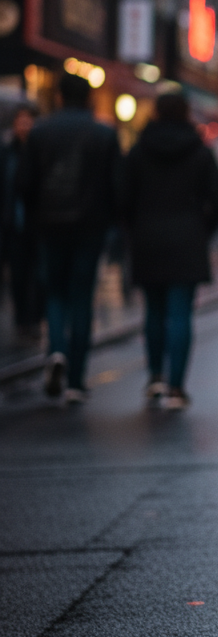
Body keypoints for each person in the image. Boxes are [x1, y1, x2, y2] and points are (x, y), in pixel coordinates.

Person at [19, 73, 122, 403]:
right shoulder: (104, 135)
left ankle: (56, 351)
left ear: (60, 96)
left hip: (49, 226)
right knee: (81, 296)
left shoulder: (40, 133)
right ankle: (76, 380)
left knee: (55, 293)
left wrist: (36, 215)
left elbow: (24, 183)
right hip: (90, 227)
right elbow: (116, 187)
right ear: (88, 98)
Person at [124, 91, 218, 409]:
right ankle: (176, 387)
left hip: (148, 237)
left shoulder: (139, 150)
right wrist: (202, 230)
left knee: (153, 311)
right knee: (181, 312)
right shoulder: (199, 150)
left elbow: (123, 196)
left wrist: (135, 229)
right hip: (187, 237)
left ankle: (155, 376)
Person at [1, 103, 42, 340]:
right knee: (17, 274)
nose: (24, 126)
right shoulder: (7, 153)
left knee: (36, 275)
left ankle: (34, 318)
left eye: (28, 121)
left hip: (36, 224)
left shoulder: (40, 150)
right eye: (20, 121)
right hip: (13, 224)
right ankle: (22, 320)